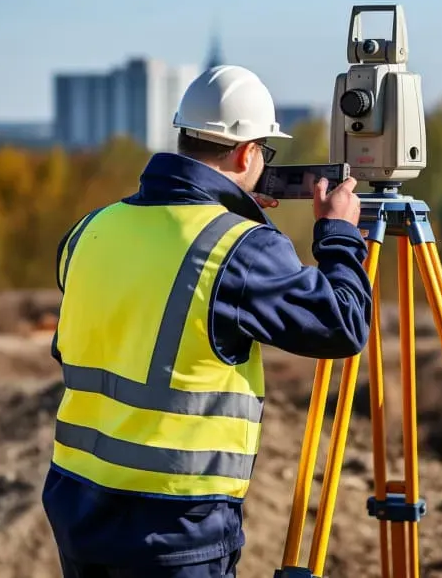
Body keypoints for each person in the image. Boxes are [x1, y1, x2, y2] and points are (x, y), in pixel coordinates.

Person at [42, 64, 373, 577]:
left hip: (79, 512)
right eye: (265, 153)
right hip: (174, 529)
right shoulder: (239, 248)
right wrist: (338, 235)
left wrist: (232, 215)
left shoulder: (91, 229)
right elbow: (342, 324)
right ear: (246, 154)